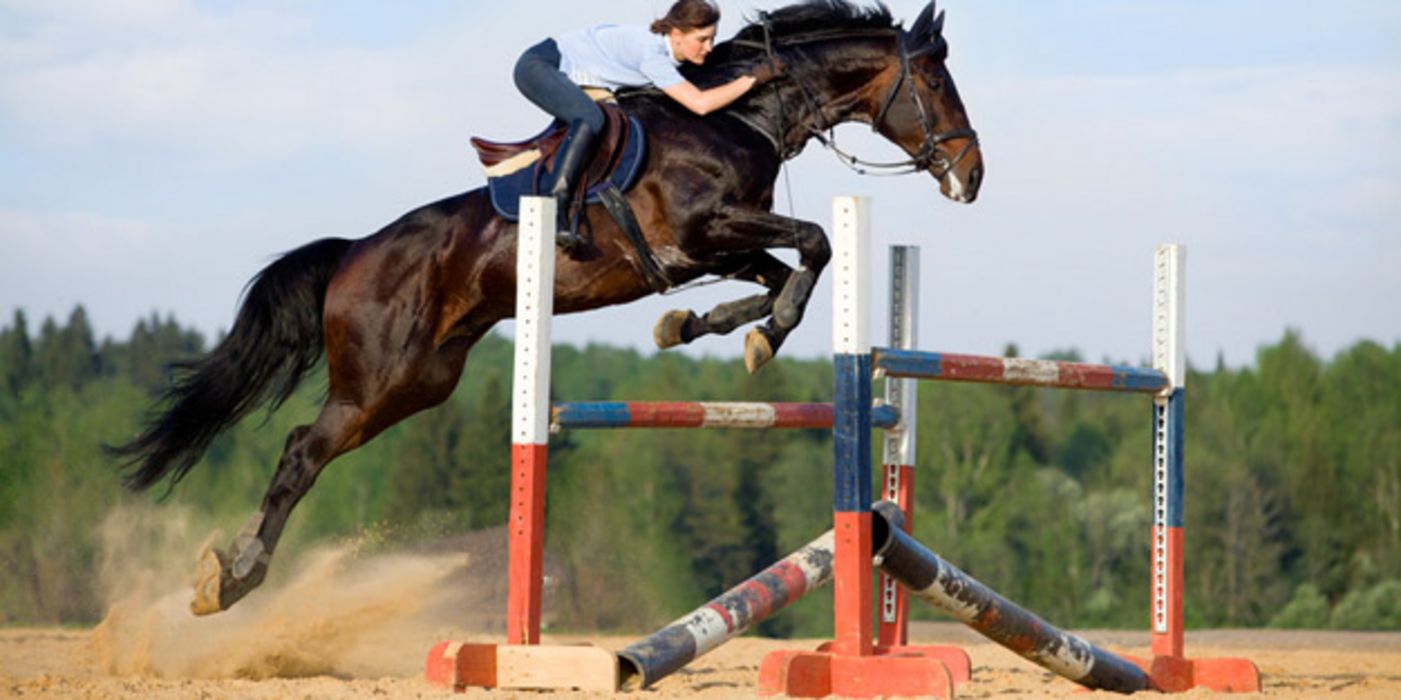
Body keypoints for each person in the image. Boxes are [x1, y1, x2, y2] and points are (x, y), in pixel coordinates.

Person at [514, 0, 783, 250]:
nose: (709, 48)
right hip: (539, 67)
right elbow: (700, 104)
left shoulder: (666, 50)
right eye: (702, 40)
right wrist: (752, 79)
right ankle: (555, 205)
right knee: (590, 119)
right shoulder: (652, 55)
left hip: (566, 66)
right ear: (676, 34)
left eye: (712, 39)